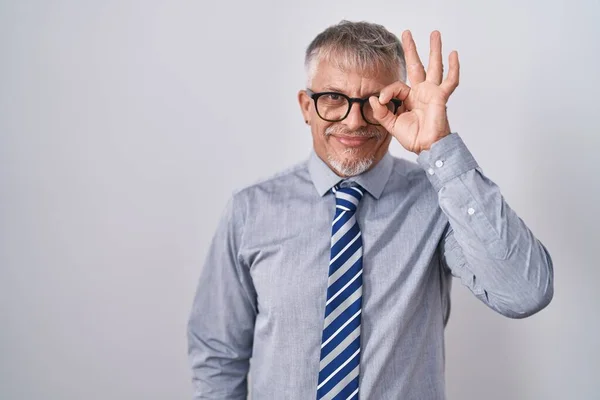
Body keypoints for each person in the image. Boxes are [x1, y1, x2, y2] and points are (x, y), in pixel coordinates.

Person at [187, 20, 554, 400]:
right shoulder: (250, 210)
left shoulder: (440, 201)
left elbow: (525, 293)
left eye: (376, 102)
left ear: (399, 104)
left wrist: (439, 146)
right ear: (305, 107)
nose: (355, 120)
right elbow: (218, 355)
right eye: (333, 98)